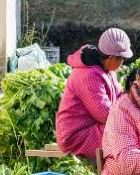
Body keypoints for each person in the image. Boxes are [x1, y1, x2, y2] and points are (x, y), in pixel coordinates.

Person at [56, 27, 133, 159]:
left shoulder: (108, 70)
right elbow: (105, 115)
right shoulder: (89, 75)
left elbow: (120, 97)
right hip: (76, 137)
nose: (122, 64)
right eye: (122, 60)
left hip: (94, 128)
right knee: (124, 129)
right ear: (112, 58)